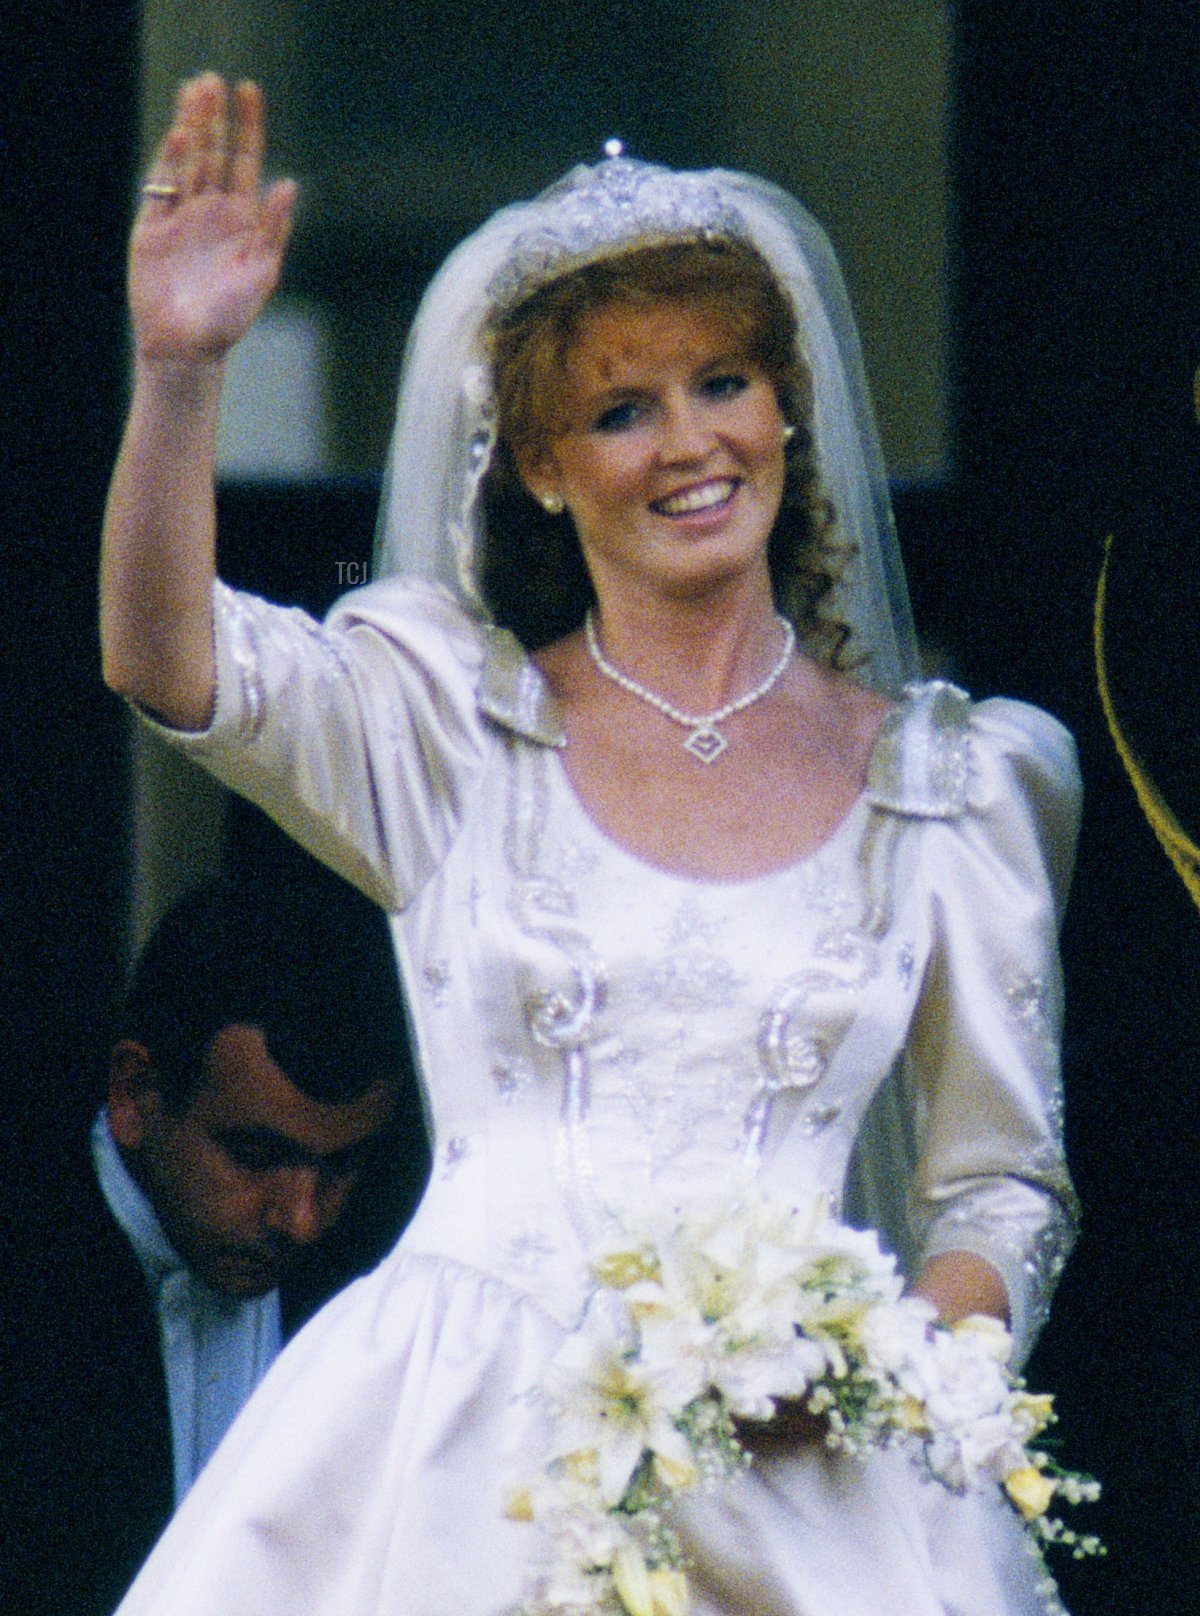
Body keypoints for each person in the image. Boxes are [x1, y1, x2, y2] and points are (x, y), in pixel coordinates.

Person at [98, 72, 1083, 1616]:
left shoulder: (949, 789)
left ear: (786, 405)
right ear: (543, 469)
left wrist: (877, 1373)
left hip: (807, 1489)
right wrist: (178, 372)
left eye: (723, 383)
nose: (691, 443)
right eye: (622, 411)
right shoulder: (447, 726)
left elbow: (999, 1189)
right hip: (458, 1459)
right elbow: (169, 663)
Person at [3, 869, 419, 1616]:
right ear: (134, 1094)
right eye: (256, 1156)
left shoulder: (395, 1263)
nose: (302, 1220)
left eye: (340, 1167)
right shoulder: (25, 1273)